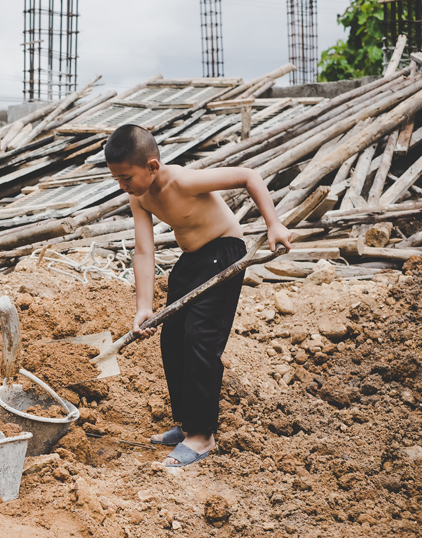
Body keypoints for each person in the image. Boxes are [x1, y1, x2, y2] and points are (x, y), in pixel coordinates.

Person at [104, 124, 291, 467]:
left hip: (224, 250)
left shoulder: (182, 181)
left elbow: (248, 176)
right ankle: (187, 424)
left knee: (200, 338)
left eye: (126, 177)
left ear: (152, 167)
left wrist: (273, 224)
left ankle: (203, 437)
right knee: (172, 337)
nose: (122, 186)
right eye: (116, 178)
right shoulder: (138, 197)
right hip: (192, 260)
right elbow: (144, 252)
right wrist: (144, 307)